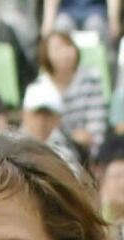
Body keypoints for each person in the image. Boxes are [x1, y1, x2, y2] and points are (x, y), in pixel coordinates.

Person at [37, 31, 108, 159]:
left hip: (87, 154)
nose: (64, 53)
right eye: (57, 49)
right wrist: (72, 136)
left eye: (68, 46)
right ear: (46, 55)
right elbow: (39, 131)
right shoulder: (40, 86)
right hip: (49, 154)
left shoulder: (91, 79)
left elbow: (96, 131)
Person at [20, 79, 86, 174]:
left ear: (58, 118)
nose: (41, 121)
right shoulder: (7, 145)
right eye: (36, 114)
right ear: (25, 114)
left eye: (47, 115)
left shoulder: (69, 149)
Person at [41, 0, 121, 50]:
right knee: (61, 27)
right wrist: (48, 22)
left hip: (95, 11)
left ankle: (106, 73)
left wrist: (114, 20)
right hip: (67, 12)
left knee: (97, 25)